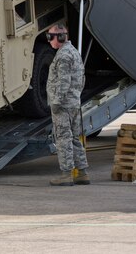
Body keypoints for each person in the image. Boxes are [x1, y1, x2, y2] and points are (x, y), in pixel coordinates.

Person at [45, 24, 90, 186]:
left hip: (63, 105)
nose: (49, 40)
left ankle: (66, 174)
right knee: (75, 138)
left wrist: (56, 101)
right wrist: (75, 96)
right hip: (73, 103)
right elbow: (81, 79)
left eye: (50, 37)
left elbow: (64, 81)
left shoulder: (63, 56)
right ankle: (82, 173)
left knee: (63, 138)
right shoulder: (74, 52)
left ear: (61, 37)